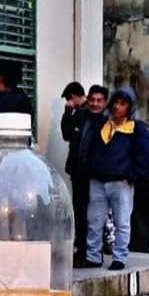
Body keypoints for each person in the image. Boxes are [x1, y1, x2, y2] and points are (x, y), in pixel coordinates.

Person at [80, 87, 149, 271]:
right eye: (116, 103)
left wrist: (130, 177)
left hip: (121, 182)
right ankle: (93, 256)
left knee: (122, 222)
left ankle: (119, 257)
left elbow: (144, 158)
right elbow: (88, 147)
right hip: (98, 181)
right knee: (94, 222)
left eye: (123, 104)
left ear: (130, 107)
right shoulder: (103, 124)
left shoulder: (136, 129)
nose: (118, 107)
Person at [59, 81, 89, 259]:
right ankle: (82, 245)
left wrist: (69, 113)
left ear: (74, 96)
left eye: (69, 100)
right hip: (77, 171)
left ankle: (84, 247)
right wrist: (67, 113)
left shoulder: (83, 114)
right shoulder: (78, 113)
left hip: (82, 171)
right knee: (80, 208)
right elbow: (67, 134)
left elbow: (68, 133)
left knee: (82, 210)